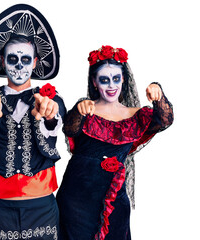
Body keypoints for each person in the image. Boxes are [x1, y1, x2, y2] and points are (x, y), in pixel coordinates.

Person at [0, 4, 66, 239]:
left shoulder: (49, 98)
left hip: (42, 207)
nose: (19, 66)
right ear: (3, 61)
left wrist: (50, 112)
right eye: (13, 58)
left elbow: (58, 113)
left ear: (35, 62)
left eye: (25, 59)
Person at [56, 45, 173, 240]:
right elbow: (69, 129)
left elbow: (165, 120)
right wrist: (79, 109)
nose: (111, 86)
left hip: (114, 197)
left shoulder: (136, 116)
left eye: (116, 79)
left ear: (123, 79)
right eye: (104, 80)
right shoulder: (86, 109)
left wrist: (158, 92)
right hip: (76, 199)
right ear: (94, 82)